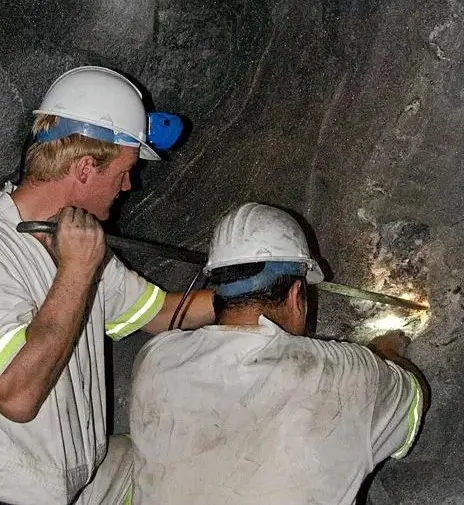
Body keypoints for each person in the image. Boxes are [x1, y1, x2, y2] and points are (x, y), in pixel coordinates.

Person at [0, 66, 215, 505]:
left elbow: (165, 313)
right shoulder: (0, 249)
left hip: (78, 482)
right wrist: (75, 270)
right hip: (9, 493)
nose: (129, 185)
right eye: (125, 170)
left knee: (164, 465)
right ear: (85, 168)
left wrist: (248, 291)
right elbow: (15, 396)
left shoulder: (79, 240)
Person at [130, 202, 429, 505]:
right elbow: (413, 398)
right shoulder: (346, 373)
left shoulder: (155, 358)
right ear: (297, 295)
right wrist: (384, 349)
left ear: (215, 292)